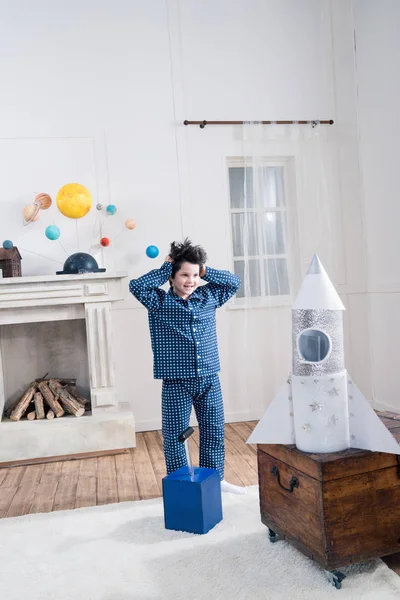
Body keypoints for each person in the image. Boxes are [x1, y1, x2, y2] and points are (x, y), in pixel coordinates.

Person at [129, 238, 245, 494]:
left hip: (209, 378)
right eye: (184, 274)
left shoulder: (208, 296)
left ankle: (216, 479)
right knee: (175, 435)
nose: (190, 280)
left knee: (213, 429)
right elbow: (136, 286)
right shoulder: (158, 302)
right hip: (176, 381)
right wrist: (164, 268)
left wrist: (205, 270)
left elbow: (233, 282)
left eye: (194, 275)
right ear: (172, 277)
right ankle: (182, 484)